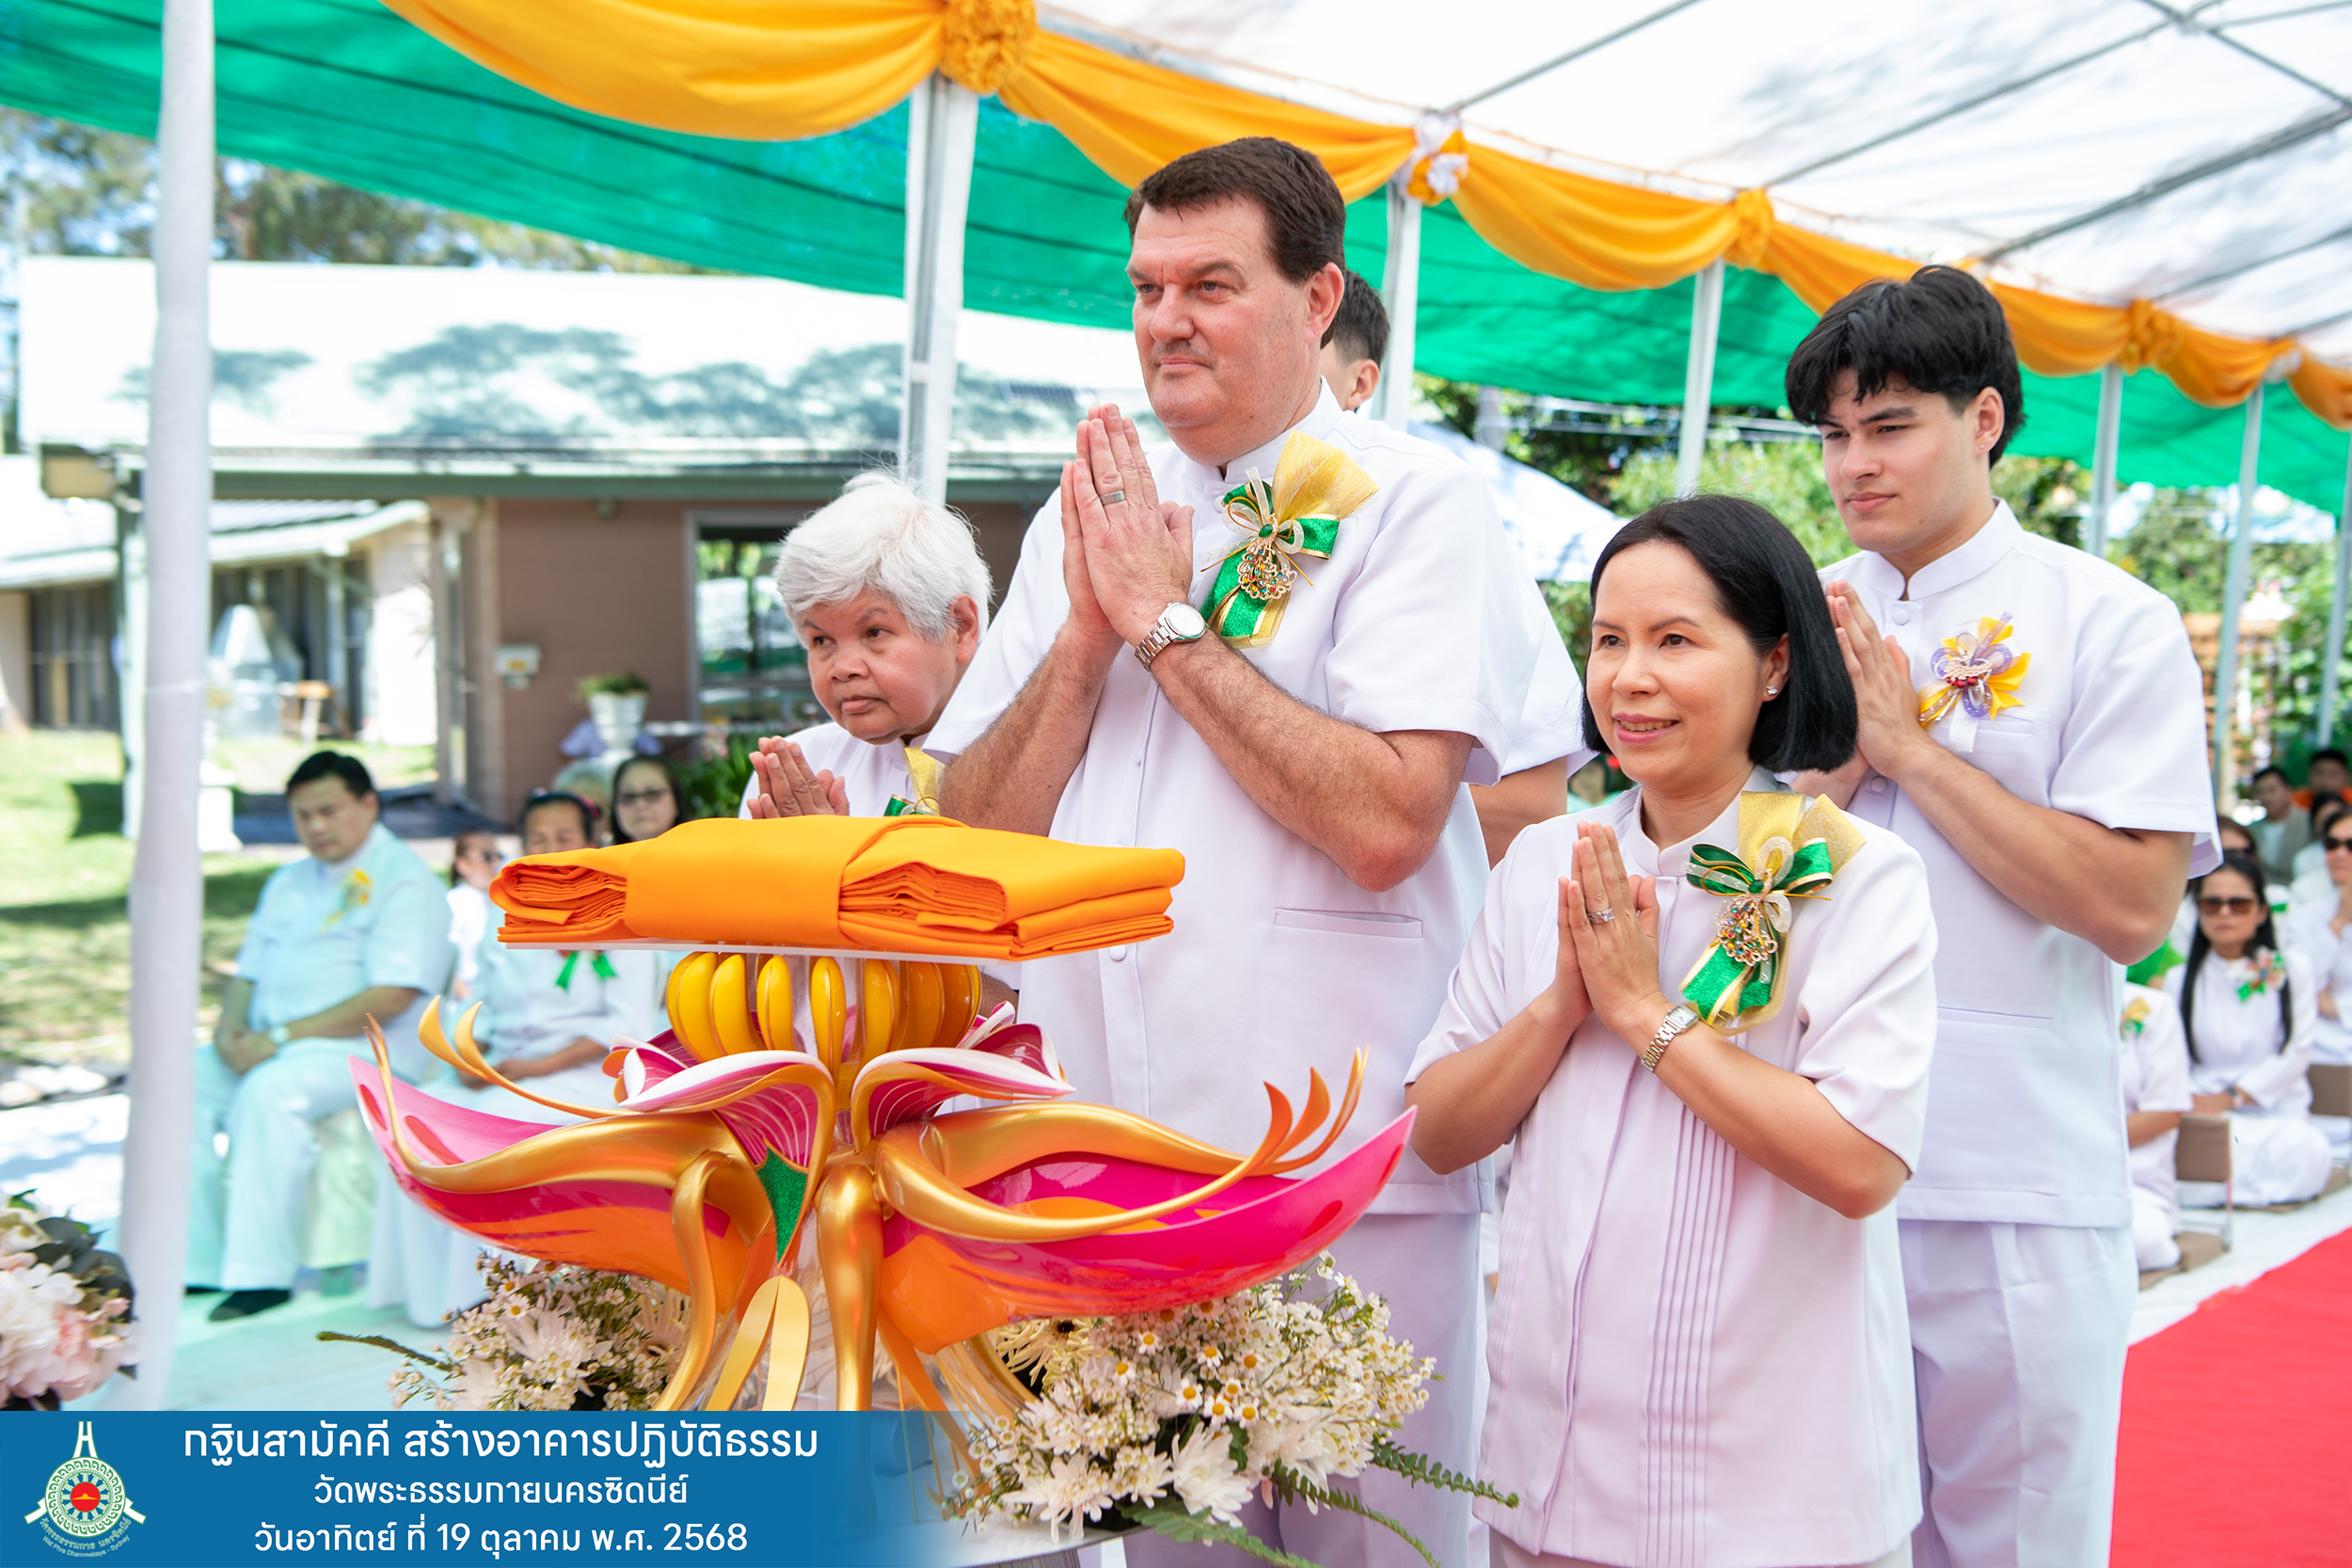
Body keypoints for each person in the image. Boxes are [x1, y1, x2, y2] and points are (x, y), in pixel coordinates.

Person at [930, 137, 1542, 1568]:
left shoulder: (1416, 499)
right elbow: (971, 840)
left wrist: (1163, 622)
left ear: (1319, 296)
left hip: (1344, 1161)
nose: (1166, 321)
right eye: (1147, 287)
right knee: (1168, 1549)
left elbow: (1393, 820)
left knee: (1376, 1542)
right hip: (1115, 1161)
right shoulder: (1087, 502)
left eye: (1212, 283)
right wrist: (1083, 641)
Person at [1406, 497, 1931, 1568]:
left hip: (1774, 1490)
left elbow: (1860, 1160)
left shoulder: (1856, 875)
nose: (1628, 677)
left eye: (1675, 640)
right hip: (1545, 1475)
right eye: (1608, 639)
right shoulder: (1543, 863)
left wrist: (1646, 1012)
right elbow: (1436, 1129)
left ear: (1775, 665)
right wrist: (1563, 1003)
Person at [1786, 264, 2214, 1568]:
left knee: (2012, 1542)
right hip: (1806, 1159)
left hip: (2014, 1175)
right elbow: (1716, 865)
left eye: (1890, 424)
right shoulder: (1784, 609)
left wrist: (1913, 753)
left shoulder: (2110, 622)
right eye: (1834, 435)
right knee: (1808, 1535)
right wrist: (1831, 776)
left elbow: (2134, 908)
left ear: (1985, 419)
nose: (1855, 465)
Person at [1316, 267, 1595, 864]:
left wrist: (1346, 804)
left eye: (1308, 343)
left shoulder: (1438, 512)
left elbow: (1530, 806)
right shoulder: (1175, 505)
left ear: (1360, 383)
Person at [368, 791, 672, 1327]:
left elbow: (624, 1027)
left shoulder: (624, 910)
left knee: (495, 1128)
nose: (551, 850)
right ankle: (425, 1291)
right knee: (410, 1117)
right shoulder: (503, 912)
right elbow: (480, 1003)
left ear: (593, 842)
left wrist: (526, 1072)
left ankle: (483, 1296)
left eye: (564, 838)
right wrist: (472, 1053)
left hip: (590, 1072)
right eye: (538, 840)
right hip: (503, 1067)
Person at [189, 751, 453, 1321]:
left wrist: (277, 1037)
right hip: (275, 1039)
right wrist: (229, 1029)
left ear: (368, 803)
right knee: (180, 1083)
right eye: (302, 815)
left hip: (366, 1048)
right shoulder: (288, 881)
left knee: (272, 1092)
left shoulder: (406, 881)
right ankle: (197, 1262)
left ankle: (260, 1275)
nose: (315, 827)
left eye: (328, 811)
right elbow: (250, 970)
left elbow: (392, 997)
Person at [738, 471, 991, 821]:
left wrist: (837, 859)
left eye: (874, 632)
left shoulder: (1049, 755)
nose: (842, 668)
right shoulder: (801, 774)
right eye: (821, 640)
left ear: (960, 627)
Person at [2175, 853, 2334, 1207]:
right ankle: (2231, 1189)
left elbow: (2296, 1053)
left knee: (2306, 1149)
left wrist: (2233, 1097)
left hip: (2272, 1117)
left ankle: (2217, 1190)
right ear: (2198, 912)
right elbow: (2173, 1062)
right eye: (2212, 904)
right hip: (2206, 1118)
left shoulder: (2293, 970)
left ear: (2262, 912)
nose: (2225, 914)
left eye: (2239, 904)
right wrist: (2199, 1103)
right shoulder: (2177, 980)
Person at [2284, 813, 2352, 1161]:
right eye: (2331, 844)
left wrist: (2337, 1007)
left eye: (2350, 845)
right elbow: (2299, 986)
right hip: (2320, 1047)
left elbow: (2322, 997)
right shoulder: (2306, 915)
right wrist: (2340, 921)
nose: (2340, 853)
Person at [2117, 982, 2194, 1272]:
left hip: (2134, 1184)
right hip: (2046, 1181)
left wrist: (2076, 1150)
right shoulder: (2031, 1000)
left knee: (2135, 1236)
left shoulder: (2148, 1005)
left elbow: (2164, 1113)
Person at [445, 829, 501, 1003]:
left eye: (498, 855)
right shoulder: (454, 902)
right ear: (463, 864)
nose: (496, 862)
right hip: (467, 1004)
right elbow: (445, 961)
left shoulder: (499, 902)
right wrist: (469, 1002)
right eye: (486, 856)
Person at [2247, 765, 2310, 885]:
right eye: (2260, 791)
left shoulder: (2308, 823)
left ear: (2288, 791)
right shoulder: (2251, 830)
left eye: (2271, 790)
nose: (2266, 797)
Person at [611, 753, 688, 843]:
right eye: (629, 796)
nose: (640, 805)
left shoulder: (701, 855)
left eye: (652, 793)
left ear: (677, 801)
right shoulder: (602, 856)